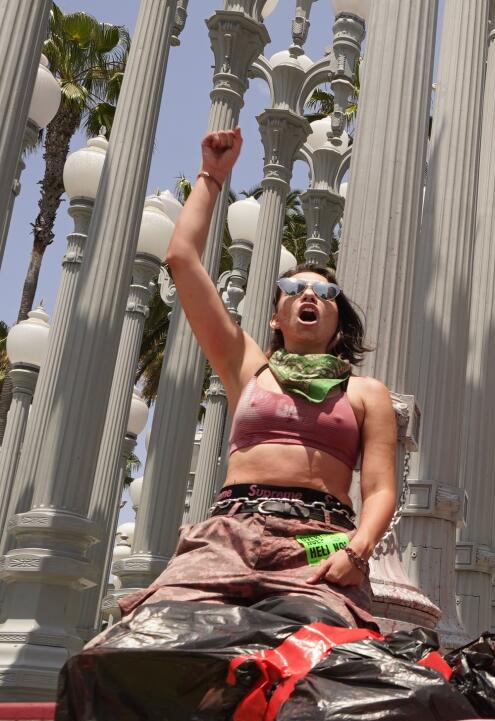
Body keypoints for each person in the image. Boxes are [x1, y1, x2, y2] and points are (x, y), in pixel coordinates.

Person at [119, 127, 398, 629]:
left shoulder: (364, 393)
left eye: (325, 292)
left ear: (338, 320)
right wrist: (212, 175)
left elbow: (379, 491)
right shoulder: (248, 366)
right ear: (275, 316)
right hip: (232, 528)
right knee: (160, 630)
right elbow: (182, 260)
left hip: (322, 533)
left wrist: (356, 552)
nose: (310, 295)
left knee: (317, 641)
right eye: (294, 288)